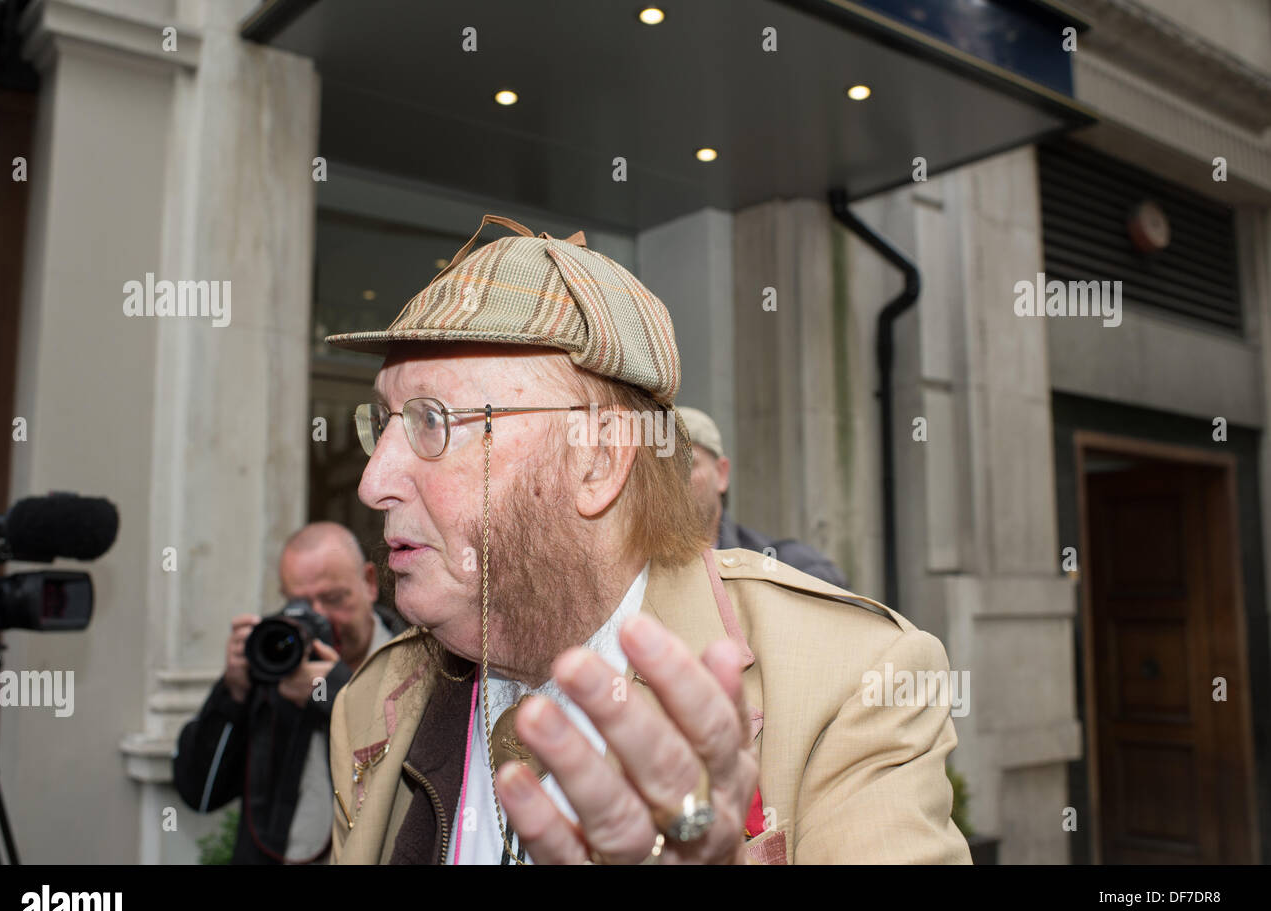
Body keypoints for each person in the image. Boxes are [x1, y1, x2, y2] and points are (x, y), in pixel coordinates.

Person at [324, 214, 970, 865]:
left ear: (600, 458)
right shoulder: (372, 700)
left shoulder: (851, 682)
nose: (375, 479)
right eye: (381, 420)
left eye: (433, 420)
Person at [173, 521, 405, 864]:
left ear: (370, 583)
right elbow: (199, 792)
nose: (319, 616)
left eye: (333, 598)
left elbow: (412, 773)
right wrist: (233, 692)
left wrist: (331, 691)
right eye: (301, 603)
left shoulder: (412, 662)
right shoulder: (271, 663)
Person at [678, 405, 849, 588]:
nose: (671, 480)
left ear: (721, 474)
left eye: (686, 465)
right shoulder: (645, 578)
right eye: (658, 472)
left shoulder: (782, 568)